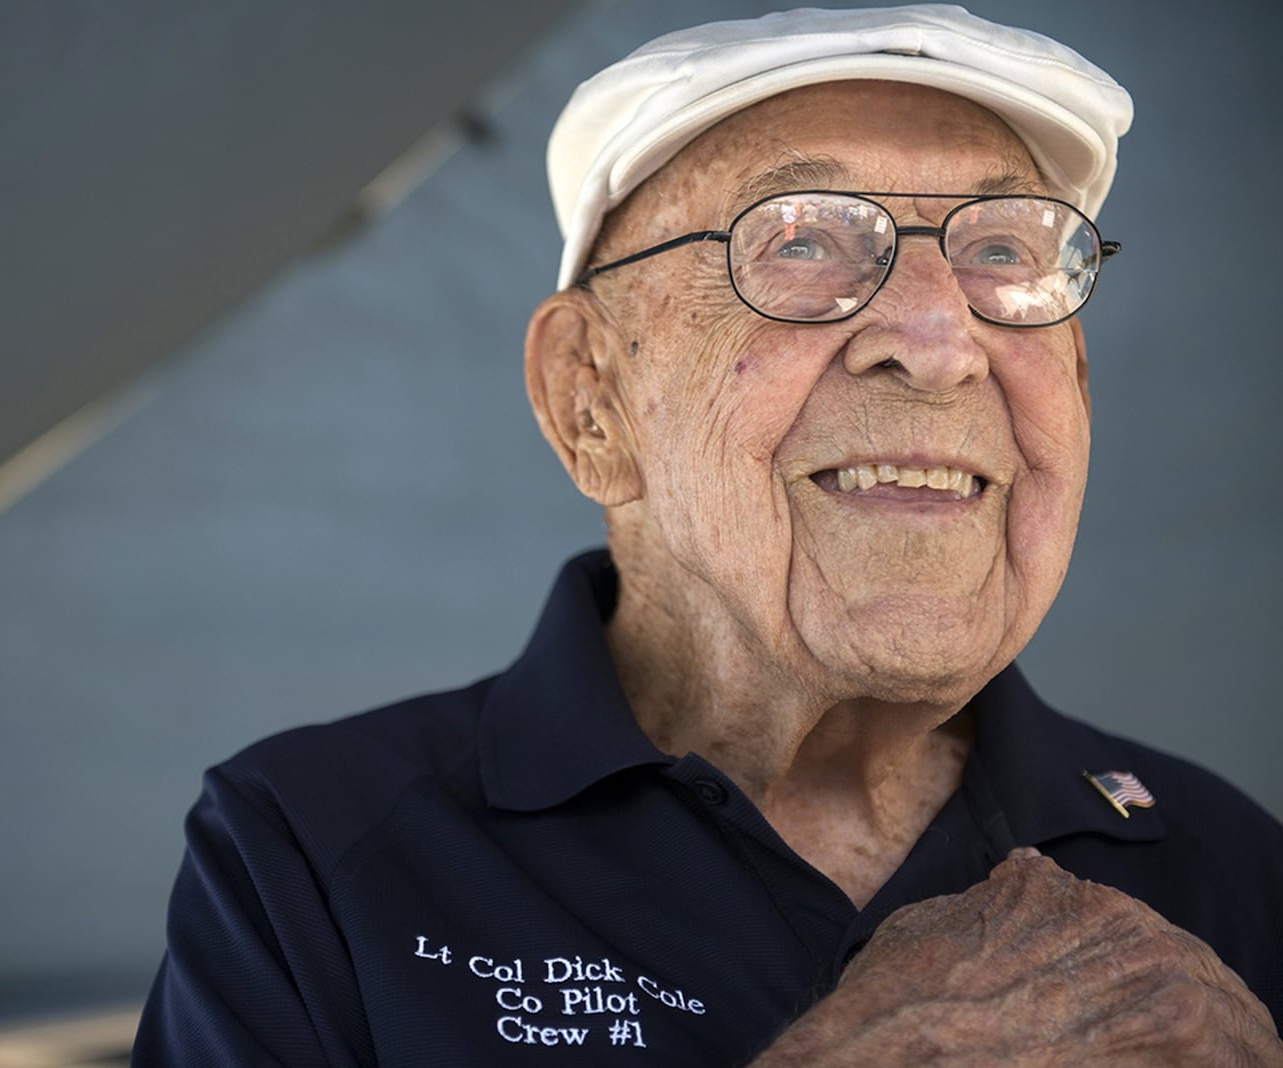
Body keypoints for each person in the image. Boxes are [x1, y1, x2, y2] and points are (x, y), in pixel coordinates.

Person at [133, 6, 1283, 1064]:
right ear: (588, 397)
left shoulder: (1226, 863)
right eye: (800, 241)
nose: (940, 339)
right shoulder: (319, 849)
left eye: (1003, 255)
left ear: (1075, 378)